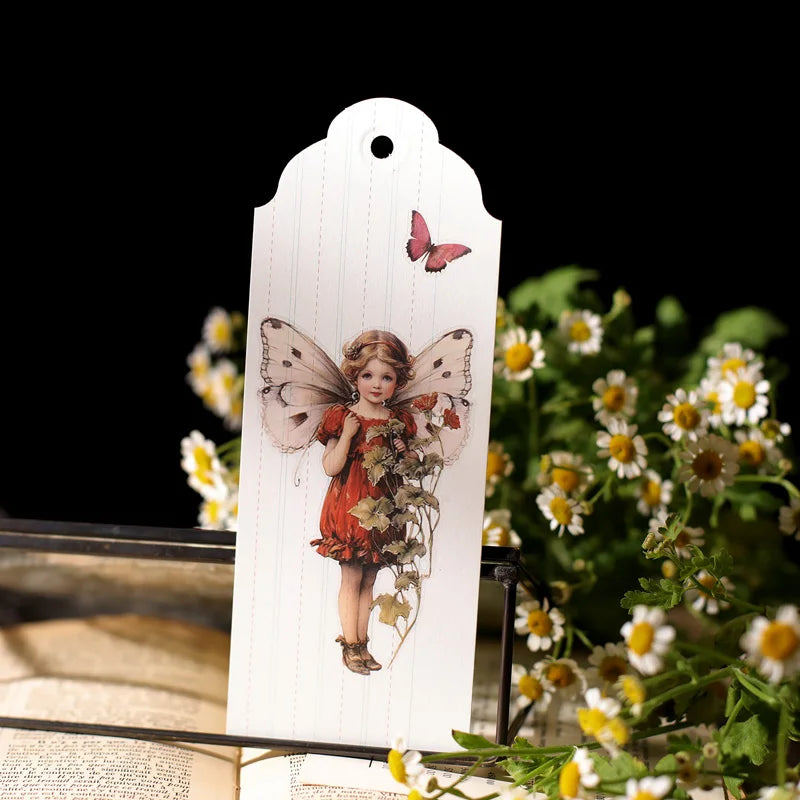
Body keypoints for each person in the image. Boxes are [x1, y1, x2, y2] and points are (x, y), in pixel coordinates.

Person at [309, 329, 417, 675]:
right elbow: (331, 467)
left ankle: (363, 644)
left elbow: (411, 469)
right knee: (351, 577)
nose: (376, 384)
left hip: (384, 509)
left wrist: (405, 451)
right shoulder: (342, 417)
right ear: (354, 375)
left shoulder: (398, 422)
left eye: (387, 377)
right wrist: (347, 436)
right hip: (350, 508)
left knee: (370, 580)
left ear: (397, 381)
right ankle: (350, 645)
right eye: (368, 375)